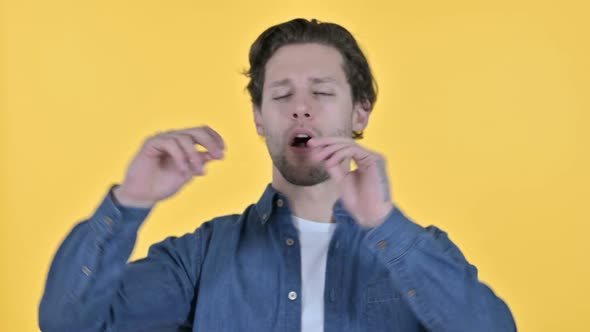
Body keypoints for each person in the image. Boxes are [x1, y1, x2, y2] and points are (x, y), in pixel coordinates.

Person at [39, 18, 516, 332]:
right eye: (282, 94)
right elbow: (69, 324)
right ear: (259, 119)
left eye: (322, 92)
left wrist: (384, 224)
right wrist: (129, 202)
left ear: (360, 114)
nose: (301, 109)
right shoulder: (202, 257)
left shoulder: (421, 251)